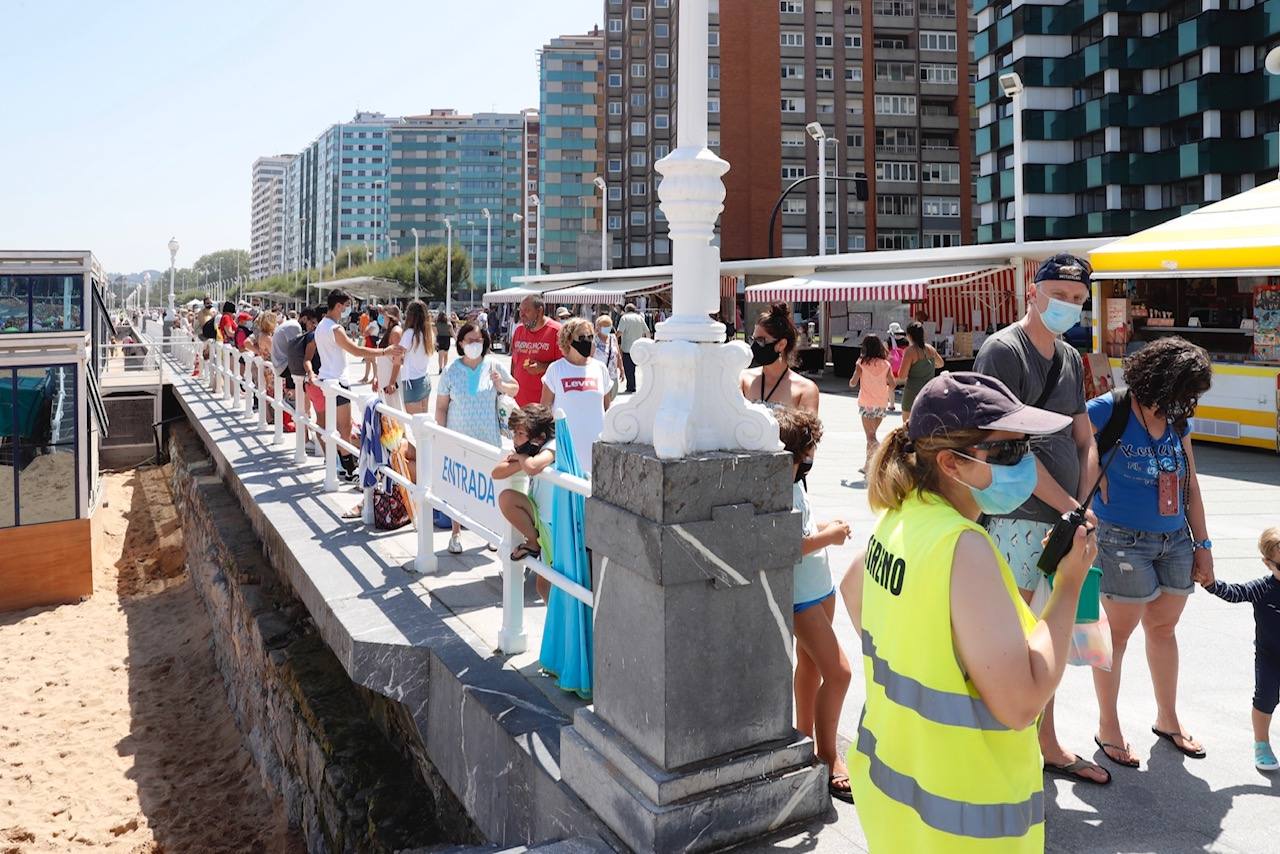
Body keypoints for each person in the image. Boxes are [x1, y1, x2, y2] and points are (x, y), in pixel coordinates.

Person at [841, 372, 1096, 852]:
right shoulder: (963, 547)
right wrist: (1067, 586)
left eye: (1024, 448)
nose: (1023, 464)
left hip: (894, 807)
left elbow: (853, 588)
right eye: (1006, 452)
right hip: (964, 824)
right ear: (950, 464)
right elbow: (1022, 703)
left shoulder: (899, 518)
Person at [973, 253, 1108, 784]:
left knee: (1049, 634)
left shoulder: (1071, 357)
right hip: (1016, 515)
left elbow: (1083, 436)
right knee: (1011, 636)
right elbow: (1005, 448)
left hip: (1065, 518)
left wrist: (1085, 503)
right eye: (1060, 296)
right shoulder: (1003, 351)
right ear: (1033, 291)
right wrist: (1072, 506)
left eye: (1077, 300)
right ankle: (1005, 739)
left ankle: (1044, 740)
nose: (1068, 307)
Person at [1087, 336, 1214, 767]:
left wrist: (1204, 545)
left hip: (1174, 538)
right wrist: (1089, 473)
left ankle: (1167, 718)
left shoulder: (1177, 419)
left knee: (1164, 629)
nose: (1189, 400)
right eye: (1186, 390)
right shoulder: (1112, 408)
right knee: (1115, 637)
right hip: (1121, 537)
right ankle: (1109, 727)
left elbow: (1190, 481)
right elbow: (1068, 442)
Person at [775, 406, 853, 803]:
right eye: (808, 450)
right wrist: (831, 537)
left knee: (812, 667)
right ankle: (828, 754)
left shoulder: (795, 481)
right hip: (802, 597)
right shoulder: (778, 486)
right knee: (839, 673)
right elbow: (792, 545)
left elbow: (803, 527)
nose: (811, 458)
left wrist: (826, 529)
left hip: (819, 588)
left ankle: (805, 736)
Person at [1198, 526, 1280, 772]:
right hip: (1270, 657)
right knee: (1266, 697)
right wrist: (1211, 585)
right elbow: (1236, 593)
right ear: (1268, 564)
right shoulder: (1263, 589)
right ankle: (1262, 743)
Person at [436, 322, 519, 554]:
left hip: (488, 439)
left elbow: (515, 388)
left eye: (479, 340)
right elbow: (441, 406)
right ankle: (456, 533)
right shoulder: (451, 370)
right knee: (458, 486)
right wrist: (441, 435)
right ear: (460, 343)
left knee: (490, 488)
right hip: (458, 439)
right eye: (470, 340)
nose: (475, 344)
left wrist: (500, 384)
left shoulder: (493, 365)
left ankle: (492, 532)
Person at [305, 290, 402, 482]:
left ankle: (341, 464)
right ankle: (349, 468)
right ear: (339, 306)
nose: (349, 310)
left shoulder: (321, 326)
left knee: (331, 426)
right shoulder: (335, 329)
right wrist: (385, 351)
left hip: (326, 379)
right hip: (338, 380)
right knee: (345, 427)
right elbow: (356, 351)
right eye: (347, 306)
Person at [492, 404, 557, 600]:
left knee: (548, 586)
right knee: (506, 498)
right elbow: (497, 473)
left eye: (520, 433)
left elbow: (532, 467)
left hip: (556, 527)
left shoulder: (552, 447)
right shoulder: (529, 451)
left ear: (539, 437)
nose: (515, 438)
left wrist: (521, 457)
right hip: (540, 519)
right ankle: (533, 542)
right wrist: (520, 458)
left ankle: (557, 628)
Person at [541, 317, 612, 476]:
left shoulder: (600, 369)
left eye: (590, 337)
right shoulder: (556, 369)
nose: (587, 341)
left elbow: (608, 408)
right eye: (581, 337)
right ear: (568, 339)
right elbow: (544, 411)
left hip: (596, 449)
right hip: (566, 450)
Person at [739, 302, 819, 413]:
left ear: (781, 345)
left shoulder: (806, 389)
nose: (754, 346)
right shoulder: (743, 378)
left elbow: (809, 428)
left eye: (761, 340)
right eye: (753, 339)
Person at [848, 334, 895, 475]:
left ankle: (883, 457)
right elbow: (892, 384)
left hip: (866, 403)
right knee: (871, 434)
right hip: (881, 403)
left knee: (870, 437)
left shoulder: (861, 363)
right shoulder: (886, 364)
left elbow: (852, 383)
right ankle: (868, 466)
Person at [511, 295, 562, 407]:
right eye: (520, 311)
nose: (522, 315)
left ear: (539, 311)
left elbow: (565, 367)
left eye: (527, 311)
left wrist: (543, 367)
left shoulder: (557, 332)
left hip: (543, 406)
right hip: (518, 403)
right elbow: (514, 363)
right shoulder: (519, 330)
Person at [896, 320, 944, 422]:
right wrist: (927, 367)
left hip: (912, 392)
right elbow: (941, 364)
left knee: (907, 426)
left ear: (909, 335)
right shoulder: (930, 349)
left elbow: (902, 375)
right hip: (928, 391)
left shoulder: (910, 351)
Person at [395, 300, 435, 415]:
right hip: (425, 379)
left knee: (415, 425)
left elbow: (397, 358)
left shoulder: (409, 334)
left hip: (412, 382)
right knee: (423, 423)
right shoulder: (428, 334)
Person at [372, 305, 404, 410]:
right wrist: (376, 377)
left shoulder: (396, 332)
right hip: (384, 379)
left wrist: (392, 382)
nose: (381, 318)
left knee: (394, 412)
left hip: (390, 382)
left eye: (383, 315)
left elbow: (397, 360)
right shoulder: (389, 331)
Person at [616, 302, 650, 394]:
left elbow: (619, 332)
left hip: (627, 347)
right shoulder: (640, 318)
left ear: (626, 310)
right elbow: (647, 331)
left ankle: (631, 387)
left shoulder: (624, 318)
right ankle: (633, 386)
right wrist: (649, 342)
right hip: (638, 347)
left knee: (628, 368)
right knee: (634, 368)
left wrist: (613, 338)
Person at [591, 314, 623, 404]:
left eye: (608, 326)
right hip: (598, 375)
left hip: (612, 374)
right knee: (603, 402)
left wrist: (621, 368)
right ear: (598, 327)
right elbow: (589, 357)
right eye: (604, 326)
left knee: (612, 396)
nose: (607, 328)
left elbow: (617, 354)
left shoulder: (613, 338)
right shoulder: (594, 340)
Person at [885, 321, 908, 412]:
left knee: (891, 387)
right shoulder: (906, 341)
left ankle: (891, 405)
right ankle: (906, 405)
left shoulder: (887, 342)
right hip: (904, 369)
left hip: (892, 371)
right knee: (907, 388)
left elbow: (885, 356)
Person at [434, 309, 455, 373]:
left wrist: (435, 342)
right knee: (446, 355)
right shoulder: (449, 324)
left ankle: (440, 368)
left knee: (440, 355)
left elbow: (435, 334)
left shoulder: (436, 324)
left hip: (439, 339)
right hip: (446, 339)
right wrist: (457, 340)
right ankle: (445, 368)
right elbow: (452, 333)